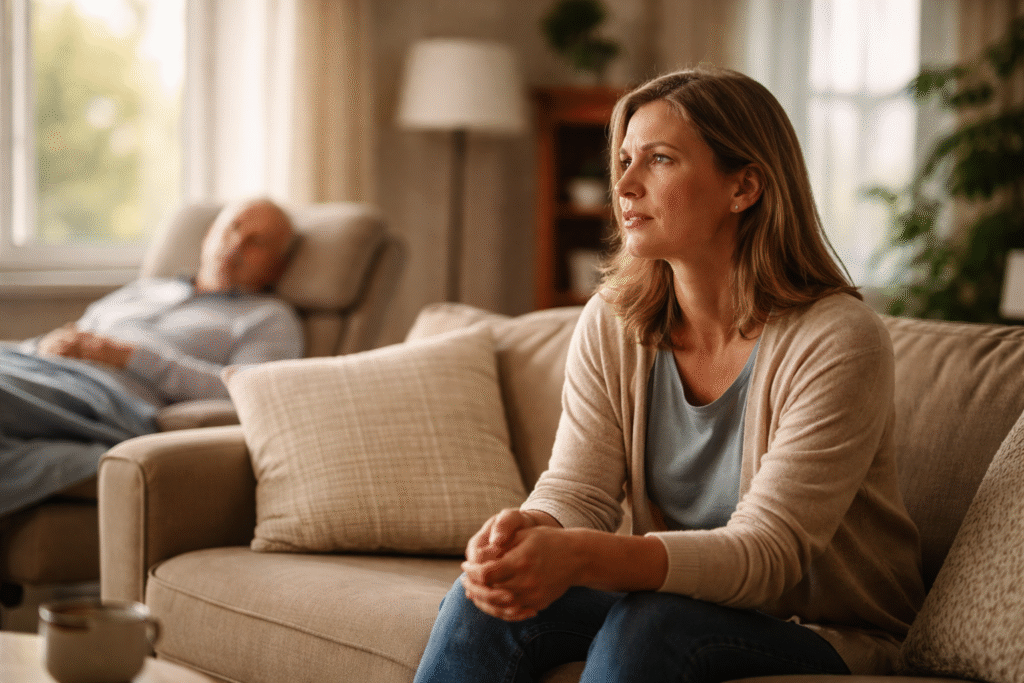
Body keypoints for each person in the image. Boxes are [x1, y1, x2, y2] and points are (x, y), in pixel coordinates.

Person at [414, 67, 925, 683]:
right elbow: (579, 491)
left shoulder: (839, 339)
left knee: (650, 622)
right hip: (683, 605)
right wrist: (529, 531)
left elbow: (766, 555)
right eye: (625, 159)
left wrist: (576, 555)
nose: (624, 184)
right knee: (484, 604)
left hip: (826, 631)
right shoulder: (614, 320)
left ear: (745, 187)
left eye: (658, 160)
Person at [0, 197, 304, 515]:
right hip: (35, 366)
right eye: (232, 228)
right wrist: (41, 345)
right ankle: (71, 462)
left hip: (105, 398)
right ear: (209, 236)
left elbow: (250, 392)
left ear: (278, 267)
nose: (236, 244)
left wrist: (130, 357)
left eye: (256, 242)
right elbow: (77, 331)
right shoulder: (145, 288)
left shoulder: (269, 318)